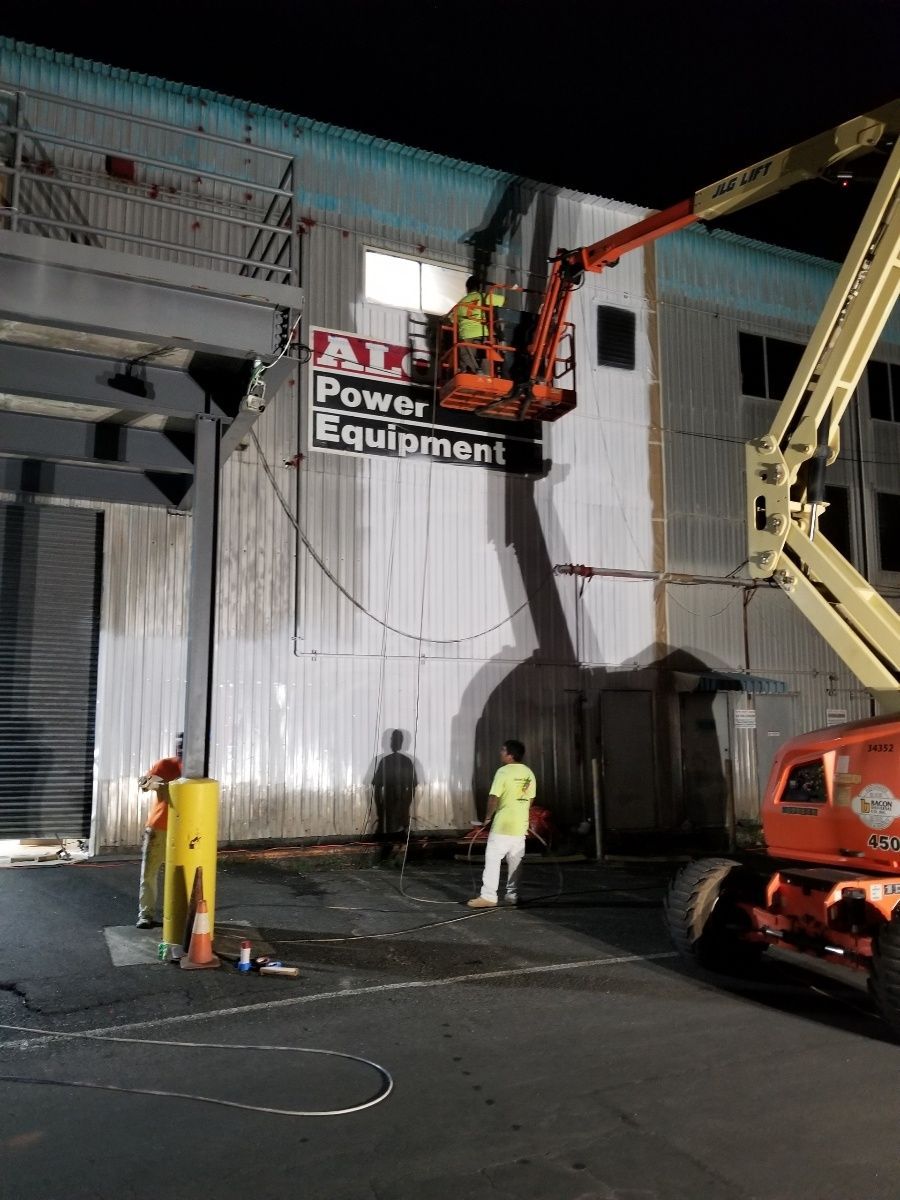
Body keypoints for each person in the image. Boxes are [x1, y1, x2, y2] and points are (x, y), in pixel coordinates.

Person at [467, 739, 536, 908]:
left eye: (503, 750)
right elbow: (531, 799)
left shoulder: (503, 772)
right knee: (515, 863)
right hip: (520, 826)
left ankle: (489, 896)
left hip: (503, 825)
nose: (501, 753)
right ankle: (513, 895)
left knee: (493, 860)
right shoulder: (529, 773)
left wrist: (487, 818)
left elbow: (494, 797)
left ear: (510, 755)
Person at [136, 732, 183, 929]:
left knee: (179, 873)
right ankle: (146, 914)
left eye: (183, 747)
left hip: (182, 829)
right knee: (150, 872)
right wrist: (157, 784)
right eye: (179, 746)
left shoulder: (196, 771)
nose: (180, 750)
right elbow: (144, 784)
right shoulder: (165, 765)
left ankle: (177, 913)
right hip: (160, 826)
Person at [451, 275, 505, 375]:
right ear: (479, 287)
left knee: (467, 362)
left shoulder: (461, 303)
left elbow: (451, 319)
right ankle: (487, 376)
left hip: (465, 336)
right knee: (485, 357)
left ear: (467, 288)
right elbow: (504, 301)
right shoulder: (483, 296)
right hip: (482, 334)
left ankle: (469, 373)